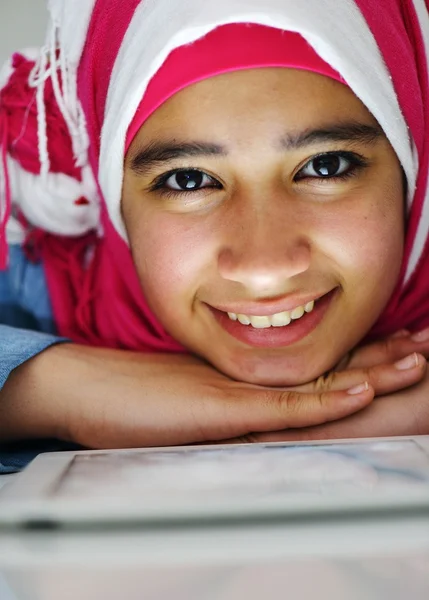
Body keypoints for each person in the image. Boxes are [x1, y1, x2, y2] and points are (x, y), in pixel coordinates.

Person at [0, 0, 429, 468]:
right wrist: (51, 389)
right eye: (189, 180)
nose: (264, 269)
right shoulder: (26, 288)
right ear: (113, 193)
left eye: (325, 167)